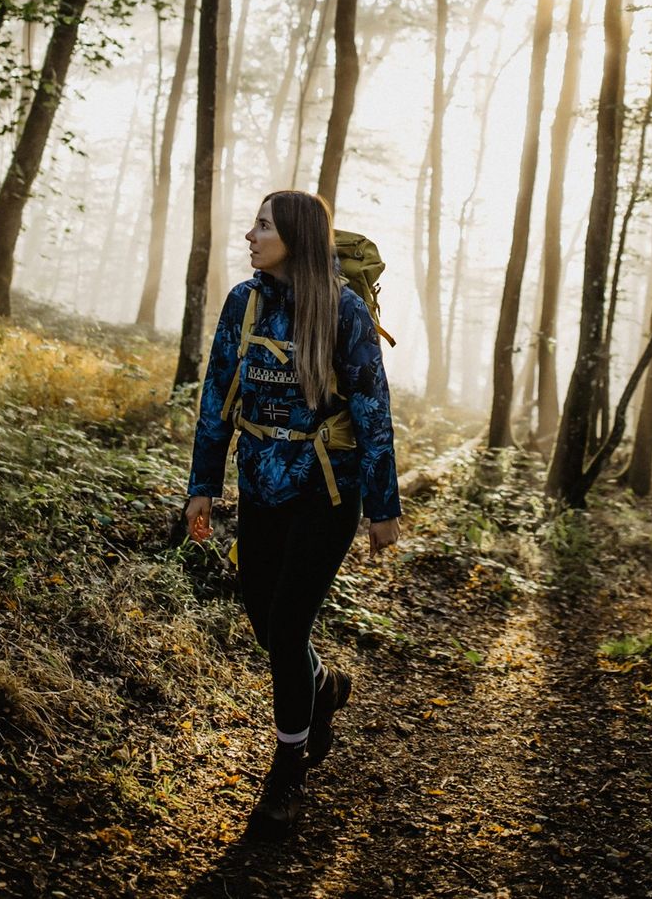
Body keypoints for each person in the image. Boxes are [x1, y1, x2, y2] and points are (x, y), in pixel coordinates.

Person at [185, 189, 401, 840]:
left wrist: (383, 508)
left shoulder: (343, 309)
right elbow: (216, 393)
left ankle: (286, 772)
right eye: (253, 224)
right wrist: (203, 483)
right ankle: (324, 684)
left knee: (285, 627)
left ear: (295, 239)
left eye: (263, 226)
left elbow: (372, 411)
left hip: (326, 493)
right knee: (264, 622)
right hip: (260, 490)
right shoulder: (241, 303)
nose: (250, 235)